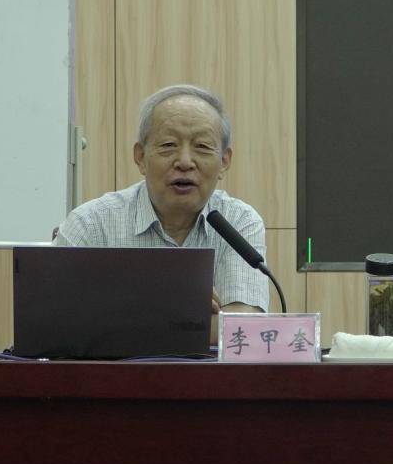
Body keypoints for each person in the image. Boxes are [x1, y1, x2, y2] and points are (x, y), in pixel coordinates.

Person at [53, 84, 270, 322]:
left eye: (202, 147)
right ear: (140, 157)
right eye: (168, 145)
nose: (185, 162)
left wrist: (130, 315)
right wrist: (177, 310)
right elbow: (53, 319)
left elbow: (243, 325)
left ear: (224, 162)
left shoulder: (238, 221)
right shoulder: (91, 224)